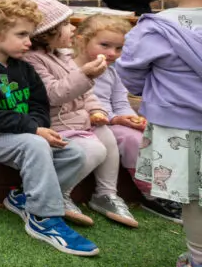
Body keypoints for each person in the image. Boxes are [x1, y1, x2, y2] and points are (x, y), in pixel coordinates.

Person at [0, 0, 98, 257]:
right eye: (22, 35)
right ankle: (43, 218)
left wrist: (38, 126)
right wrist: (33, 130)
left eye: (29, 35)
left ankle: (24, 198)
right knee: (34, 143)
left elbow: (39, 104)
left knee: (75, 153)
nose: (29, 42)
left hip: (25, 136)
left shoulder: (24, 68)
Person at [117, 0, 202, 267]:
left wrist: (147, 90)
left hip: (179, 125)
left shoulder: (155, 28)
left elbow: (129, 72)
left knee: (194, 199)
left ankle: (199, 263)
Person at [24, 0, 136, 228]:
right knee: (94, 149)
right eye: (66, 24)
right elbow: (52, 95)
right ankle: (60, 192)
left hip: (77, 121)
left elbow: (87, 94)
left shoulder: (62, 56)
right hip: (55, 125)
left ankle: (106, 194)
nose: (73, 28)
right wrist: (86, 74)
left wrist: (96, 111)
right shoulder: (33, 60)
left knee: (105, 134)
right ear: (46, 32)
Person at [73, 14, 181, 223]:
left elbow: (120, 102)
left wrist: (131, 118)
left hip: (110, 122)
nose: (112, 53)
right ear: (82, 40)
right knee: (131, 139)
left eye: (119, 48)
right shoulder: (69, 67)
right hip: (84, 122)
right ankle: (152, 194)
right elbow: (74, 101)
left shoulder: (112, 73)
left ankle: (171, 188)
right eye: (105, 45)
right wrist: (116, 119)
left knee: (148, 133)